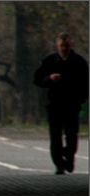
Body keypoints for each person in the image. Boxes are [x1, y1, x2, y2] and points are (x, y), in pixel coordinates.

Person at [33, 32, 89, 174]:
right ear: (57, 46)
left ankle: (69, 156)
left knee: (72, 136)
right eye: (62, 46)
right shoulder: (49, 61)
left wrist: (81, 99)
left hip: (72, 105)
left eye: (67, 46)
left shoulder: (79, 62)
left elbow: (86, 83)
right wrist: (49, 79)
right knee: (55, 136)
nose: (64, 48)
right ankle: (59, 163)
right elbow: (37, 79)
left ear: (71, 46)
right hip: (54, 105)